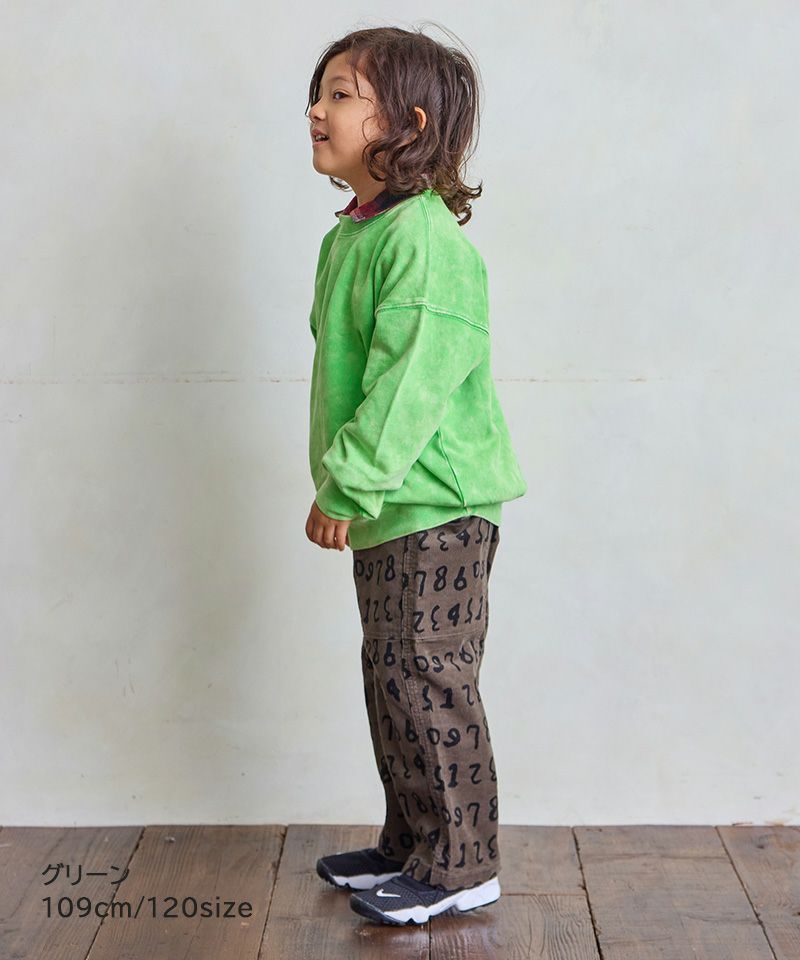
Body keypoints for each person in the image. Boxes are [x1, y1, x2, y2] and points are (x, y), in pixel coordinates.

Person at [303, 25, 527, 926]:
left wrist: (349, 483)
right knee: (391, 674)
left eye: (342, 94)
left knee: (428, 675)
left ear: (409, 124)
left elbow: (410, 383)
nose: (316, 110)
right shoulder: (355, 237)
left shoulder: (425, 241)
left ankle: (462, 863)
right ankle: (412, 841)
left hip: (436, 503)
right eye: (317, 93)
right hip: (393, 505)